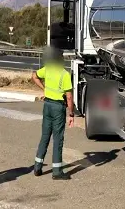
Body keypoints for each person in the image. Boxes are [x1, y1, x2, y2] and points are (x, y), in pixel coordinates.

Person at [32, 46, 75, 180]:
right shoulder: (64, 74)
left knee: (45, 136)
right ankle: (57, 172)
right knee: (58, 139)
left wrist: (44, 89)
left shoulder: (48, 69)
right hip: (58, 108)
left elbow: (34, 76)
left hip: (47, 106)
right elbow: (69, 97)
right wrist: (71, 114)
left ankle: (37, 167)